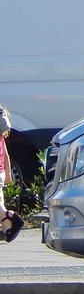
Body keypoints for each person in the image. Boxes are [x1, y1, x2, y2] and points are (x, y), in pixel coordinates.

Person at [0, 104, 23, 242]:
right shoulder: (1, 135)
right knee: (0, 202)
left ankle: (9, 215)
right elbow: (6, 154)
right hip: (1, 171)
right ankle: (7, 230)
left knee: (0, 207)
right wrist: (7, 173)